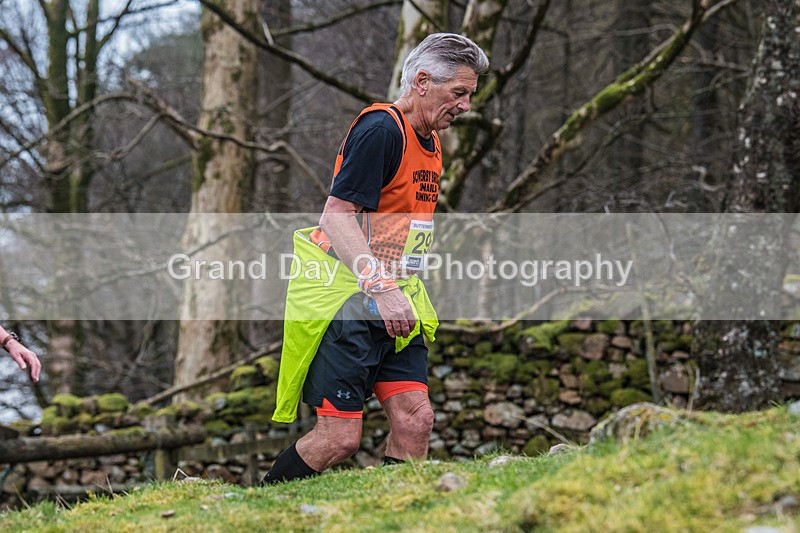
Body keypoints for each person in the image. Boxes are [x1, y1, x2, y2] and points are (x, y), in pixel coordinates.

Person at [263, 33, 489, 485]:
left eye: (469, 95)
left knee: (416, 420)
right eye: (458, 92)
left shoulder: (431, 139)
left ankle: (400, 509)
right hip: (347, 300)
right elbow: (336, 217)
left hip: (395, 298)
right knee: (339, 439)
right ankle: (256, 505)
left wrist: (395, 286)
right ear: (422, 82)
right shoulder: (383, 130)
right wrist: (381, 287)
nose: (465, 106)